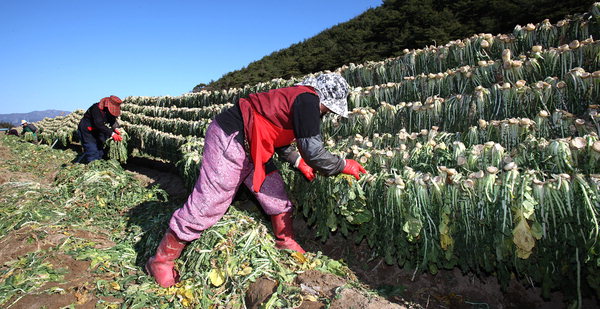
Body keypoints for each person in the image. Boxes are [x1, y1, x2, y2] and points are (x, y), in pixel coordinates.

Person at [146, 73, 367, 288]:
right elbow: (314, 151)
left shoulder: (298, 98)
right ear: (325, 99)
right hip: (232, 136)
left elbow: (277, 135)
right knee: (212, 199)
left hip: (256, 144)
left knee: (274, 189)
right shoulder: (308, 100)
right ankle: (161, 261)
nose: (327, 112)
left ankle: (285, 240)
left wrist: (298, 162)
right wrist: (343, 164)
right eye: (329, 107)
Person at [77, 95, 123, 163]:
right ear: (107, 105)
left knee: (100, 150)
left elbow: (112, 120)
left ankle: (99, 164)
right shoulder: (96, 109)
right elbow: (99, 124)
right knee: (92, 149)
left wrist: (116, 128)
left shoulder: (107, 111)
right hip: (88, 129)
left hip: (98, 130)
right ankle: (93, 167)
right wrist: (112, 134)